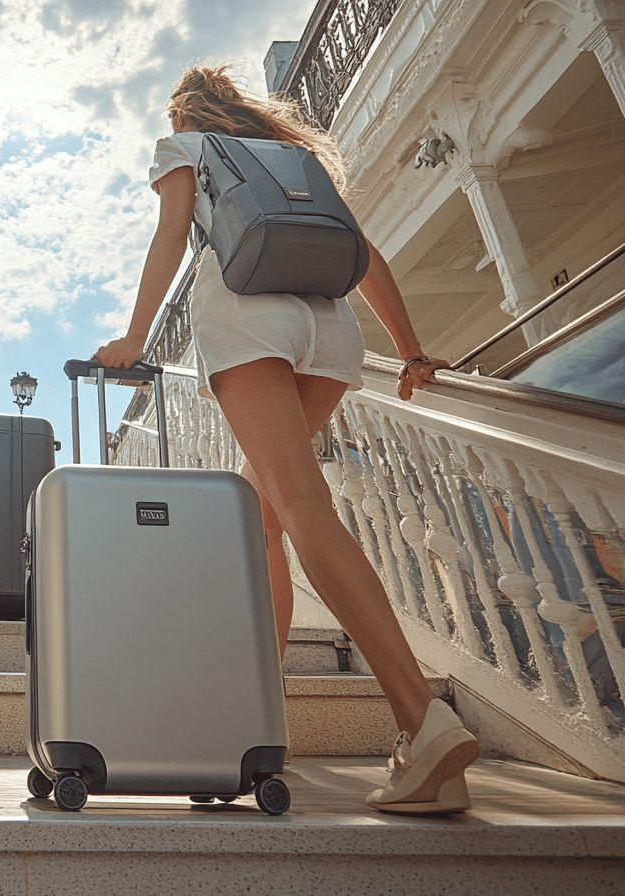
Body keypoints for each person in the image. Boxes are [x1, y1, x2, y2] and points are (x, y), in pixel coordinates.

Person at [92, 65, 478, 816]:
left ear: (184, 112)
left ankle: (420, 716)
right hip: (328, 329)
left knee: (300, 507)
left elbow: (174, 233)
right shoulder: (293, 157)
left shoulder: (185, 146)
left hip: (248, 318)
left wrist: (135, 339)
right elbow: (364, 255)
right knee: (261, 512)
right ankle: (265, 721)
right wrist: (410, 350)